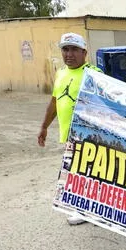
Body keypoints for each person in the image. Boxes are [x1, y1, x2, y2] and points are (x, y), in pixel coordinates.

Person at [37, 33, 102, 225]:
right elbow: (55, 102)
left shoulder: (94, 73)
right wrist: (44, 127)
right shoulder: (61, 73)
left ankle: (84, 210)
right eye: (65, 49)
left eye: (74, 49)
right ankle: (89, 208)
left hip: (89, 134)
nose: (69, 54)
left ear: (84, 52)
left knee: (85, 171)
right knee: (80, 171)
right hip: (70, 134)